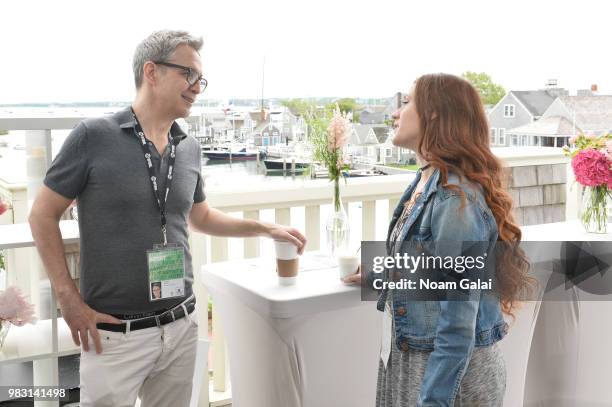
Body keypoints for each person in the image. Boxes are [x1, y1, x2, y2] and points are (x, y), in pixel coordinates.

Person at [29, 30, 306, 407]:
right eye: (188, 75)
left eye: (200, 79)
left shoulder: (188, 147)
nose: (196, 87)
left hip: (180, 326)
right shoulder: (92, 136)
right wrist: (68, 298)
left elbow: (201, 217)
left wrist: (266, 227)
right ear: (151, 72)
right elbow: (42, 214)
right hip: (113, 335)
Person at [344, 73, 531, 406]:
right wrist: (382, 275)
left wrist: (433, 400)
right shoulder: (426, 180)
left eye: (407, 101)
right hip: (413, 362)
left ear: (433, 113)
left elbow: (458, 322)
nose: (396, 113)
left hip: (446, 378)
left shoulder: (453, 200)